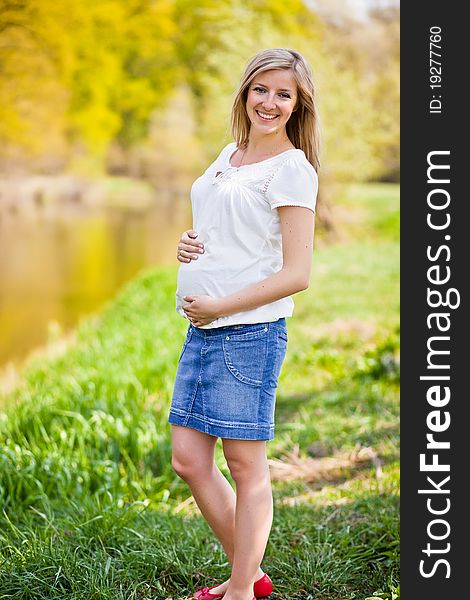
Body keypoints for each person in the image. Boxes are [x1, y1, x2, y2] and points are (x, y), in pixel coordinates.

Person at [168, 48, 320, 600]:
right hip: (202, 330)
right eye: (262, 89)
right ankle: (250, 578)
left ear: (299, 104)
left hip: (247, 334)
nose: (270, 102)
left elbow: (298, 272)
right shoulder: (228, 155)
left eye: (284, 94)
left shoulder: (292, 169)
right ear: (245, 93)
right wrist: (188, 245)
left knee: (245, 465)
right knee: (188, 459)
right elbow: (219, 229)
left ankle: (239, 590)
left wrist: (221, 305)